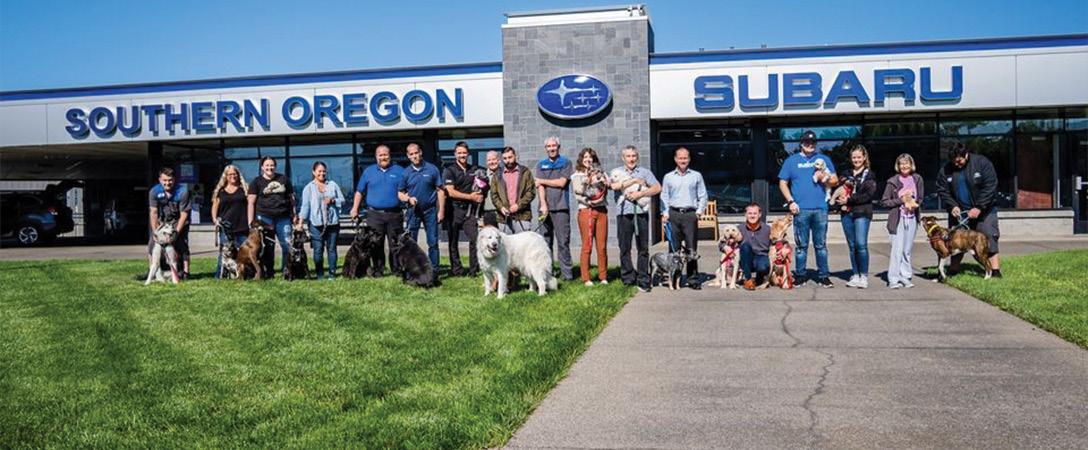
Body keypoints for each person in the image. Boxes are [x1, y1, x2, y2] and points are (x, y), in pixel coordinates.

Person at [778, 130, 838, 288]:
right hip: (800, 209)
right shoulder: (791, 161)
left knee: (821, 246)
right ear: (801, 143)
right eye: (806, 142)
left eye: (812, 142)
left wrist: (824, 178)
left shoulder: (824, 159)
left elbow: (835, 180)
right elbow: (782, 183)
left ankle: (823, 276)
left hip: (820, 209)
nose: (810, 145)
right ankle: (800, 275)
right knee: (801, 247)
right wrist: (791, 201)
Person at [936, 142, 1002, 277]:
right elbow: (942, 190)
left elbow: (990, 186)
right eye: (954, 162)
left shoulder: (982, 163)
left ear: (966, 154)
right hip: (960, 212)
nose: (957, 164)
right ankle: (953, 271)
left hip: (985, 210)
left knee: (988, 236)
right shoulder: (946, 170)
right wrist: (952, 205)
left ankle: (995, 271)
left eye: (959, 161)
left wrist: (979, 207)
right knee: (955, 240)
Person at [610, 145, 660, 292]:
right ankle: (628, 278)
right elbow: (614, 186)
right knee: (624, 247)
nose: (631, 159)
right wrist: (634, 181)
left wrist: (641, 194)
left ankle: (643, 279)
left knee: (643, 248)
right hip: (623, 214)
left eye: (633, 156)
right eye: (628, 156)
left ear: (637, 157)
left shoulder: (645, 172)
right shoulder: (616, 172)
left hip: (641, 213)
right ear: (623, 158)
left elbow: (657, 187)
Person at [350, 144, 406, 275]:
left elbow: (408, 189)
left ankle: (396, 270)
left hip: (394, 214)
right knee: (376, 243)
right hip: (374, 215)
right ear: (376, 157)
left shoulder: (400, 171)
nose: (383, 157)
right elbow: (359, 191)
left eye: (385, 154)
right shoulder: (368, 172)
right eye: (380, 155)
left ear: (390, 156)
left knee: (395, 244)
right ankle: (378, 270)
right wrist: (354, 208)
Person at [660, 146, 707, 290]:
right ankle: (674, 278)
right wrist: (665, 213)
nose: (683, 160)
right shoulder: (668, 177)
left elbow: (703, 195)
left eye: (685, 158)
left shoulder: (696, 175)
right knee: (674, 248)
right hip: (673, 214)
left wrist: (698, 212)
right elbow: (664, 196)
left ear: (689, 159)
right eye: (680, 158)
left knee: (691, 248)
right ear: (675, 159)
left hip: (690, 214)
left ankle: (693, 279)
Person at [247, 156, 297, 278]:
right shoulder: (256, 182)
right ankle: (269, 272)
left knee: (287, 245)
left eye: (272, 165)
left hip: (283, 218)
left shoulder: (284, 179)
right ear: (262, 167)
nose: (270, 167)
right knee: (268, 247)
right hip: (264, 218)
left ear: (275, 166)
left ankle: (286, 271)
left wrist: (294, 214)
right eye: (267, 165)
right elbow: (251, 203)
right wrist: (251, 222)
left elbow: (292, 199)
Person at [836, 145, 878, 289]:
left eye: (859, 157)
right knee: (852, 245)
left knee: (861, 244)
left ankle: (863, 275)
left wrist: (849, 199)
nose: (856, 160)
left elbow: (868, 195)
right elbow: (838, 188)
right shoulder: (846, 173)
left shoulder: (869, 175)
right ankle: (855, 274)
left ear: (864, 157)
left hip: (862, 213)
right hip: (846, 213)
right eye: (854, 157)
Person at [399, 143, 445, 270]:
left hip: (430, 211)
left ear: (420, 153)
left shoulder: (432, 169)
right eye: (411, 154)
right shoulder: (406, 173)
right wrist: (408, 199)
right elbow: (400, 193)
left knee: (433, 242)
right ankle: (413, 270)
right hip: (413, 212)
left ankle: (434, 271)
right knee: (411, 243)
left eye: (416, 153)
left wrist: (441, 210)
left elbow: (440, 191)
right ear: (408, 156)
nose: (414, 156)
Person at [534, 136, 575, 281]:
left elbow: (561, 183)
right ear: (545, 148)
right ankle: (547, 274)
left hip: (561, 207)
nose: (551, 148)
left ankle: (567, 275)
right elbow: (539, 186)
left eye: (554, 146)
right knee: (545, 243)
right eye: (549, 146)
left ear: (558, 147)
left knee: (563, 242)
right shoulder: (541, 165)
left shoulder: (565, 163)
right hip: (545, 209)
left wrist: (542, 180)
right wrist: (543, 204)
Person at [570, 147, 612, 286]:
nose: (588, 160)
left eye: (591, 157)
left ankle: (603, 276)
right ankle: (586, 278)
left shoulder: (600, 173)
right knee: (587, 246)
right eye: (585, 157)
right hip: (586, 211)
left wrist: (604, 180)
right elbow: (578, 193)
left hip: (601, 210)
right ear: (581, 159)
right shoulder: (577, 175)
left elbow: (607, 187)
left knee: (602, 246)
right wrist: (588, 181)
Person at [881, 153, 923, 289]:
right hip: (897, 219)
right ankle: (893, 279)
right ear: (898, 166)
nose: (904, 166)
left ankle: (905, 276)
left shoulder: (917, 179)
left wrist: (915, 204)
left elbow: (920, 198)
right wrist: (901, 200)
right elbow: (884, 202)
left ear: (911, 165)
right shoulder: (892, 181)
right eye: (901, 164)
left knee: (907, 250)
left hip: (912, 218)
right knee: (897, 250)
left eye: (907, 163)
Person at [442, 141, 484, 276]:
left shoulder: (474, 170)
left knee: (475, 239)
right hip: (453, 210)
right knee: (453, 242)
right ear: (455, 154)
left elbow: (482, 184)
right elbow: (450, 192)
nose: (462, 155)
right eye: (459, 153)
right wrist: (471, 197)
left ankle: (473, 270)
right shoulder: (449, 170)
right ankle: (457, 270)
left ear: (468, 154)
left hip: (469, 211)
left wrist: (480, 194)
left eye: (464, 153)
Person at [299, 161, 345, 280]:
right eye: (319, 171)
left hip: (332, 223)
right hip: (315, 224)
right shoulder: (308, 188)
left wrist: (333, 200)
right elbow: (305, 206)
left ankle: (332, 274)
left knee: (332, 249)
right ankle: (320, 274)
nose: (322, 173)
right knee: (318, 250)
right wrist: (300, 222)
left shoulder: (333, 185)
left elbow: (342, 200)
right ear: (314, 172)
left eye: (324, 171)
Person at [148, 167, 191, 279]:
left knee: (182, 244)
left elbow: (184, 215)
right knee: (152, 244)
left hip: (178, 220)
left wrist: (176, 232)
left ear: (174, 180)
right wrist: (156, 232)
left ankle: (186, 272)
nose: (167, 183)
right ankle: (152, 270)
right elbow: (153, 212)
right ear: (160, 180)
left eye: (170, 180)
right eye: (165, 180)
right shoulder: (154, 191)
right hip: (162, 222)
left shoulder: (182, 191)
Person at [211, 165, 249, 279]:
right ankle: (220, 276)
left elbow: (250, 205)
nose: (233, 176)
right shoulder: (220, 191)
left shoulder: (244, 189)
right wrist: (215, 220)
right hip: (226, 228)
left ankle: (244, 274)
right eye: (230, 174)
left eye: (235, 174)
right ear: (226, 176)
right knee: (224, 253)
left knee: (244, 252)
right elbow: (215, 207)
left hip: (242, 226)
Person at [490, 146, 536, 233]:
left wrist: (518, 205)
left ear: (515, 156)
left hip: (522, 216)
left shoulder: (525, 172)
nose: (508, 160)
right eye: (505, 158)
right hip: (504, 218)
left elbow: (531, 192)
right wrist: (501, 207)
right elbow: (494, 195)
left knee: (523, 242)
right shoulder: (497, 174)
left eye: (510, 157)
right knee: (506, 242)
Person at [738, 202, 771, 290]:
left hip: (761, 256)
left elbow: (777, 240)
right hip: (745, 258)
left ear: (759, 214)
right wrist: (724, 247)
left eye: (755, 213)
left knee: (763, 266)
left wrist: (784, 247)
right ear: (745, 214)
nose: (752, 216)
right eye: (749, 213)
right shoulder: (739, 228)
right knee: (745, 246)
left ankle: (759, 279)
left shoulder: (767, 229)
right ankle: (748, 279)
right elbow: (723, 242)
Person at [480, 150, 501, 226]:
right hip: (488, 213)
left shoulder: (505, 175)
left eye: (494, 159)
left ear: (499, 160)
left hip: (503, 212)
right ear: (486, 162)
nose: (491, 162)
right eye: (489, 160)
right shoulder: (482, 177)